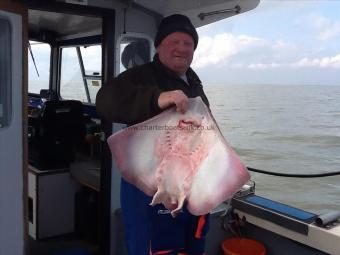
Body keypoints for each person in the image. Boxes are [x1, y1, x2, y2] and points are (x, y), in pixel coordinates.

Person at [96, 14, 210, 255]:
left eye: (188, 43)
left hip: (189, 184)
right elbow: (105, 102)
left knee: (191, 245)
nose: (181, 48)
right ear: (158, 46)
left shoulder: (193, 81)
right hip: (148, 187)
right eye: (174, 41)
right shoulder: (140, 76)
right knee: (154, 247)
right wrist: (157, 98)